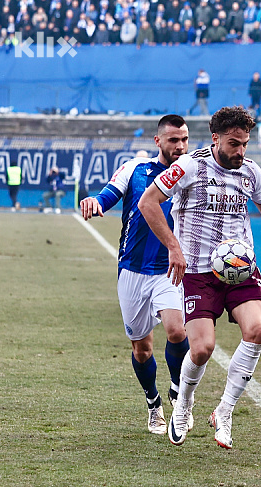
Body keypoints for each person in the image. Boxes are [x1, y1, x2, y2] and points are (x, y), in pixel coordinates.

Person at [138, 106, 261, 449]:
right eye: (234, 144)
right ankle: (184, 404)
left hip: (240, 268)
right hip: (199, 272)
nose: (240, 151)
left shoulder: (250, 172)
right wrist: (173, 247)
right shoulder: (189, 167)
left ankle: (225, 410)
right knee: (202, 348)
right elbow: (148, 202)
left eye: (245, 144)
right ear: (216, 138)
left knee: (258, 330)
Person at [80, 114, 191, 435]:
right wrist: (95, 202)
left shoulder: (193, 174)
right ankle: (154, 403)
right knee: (142, 349)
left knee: (177, 331)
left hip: (169, 270)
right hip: (131, 271)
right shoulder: (136, 169)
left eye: (184, 139)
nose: (180, 146)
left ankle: (177, 390)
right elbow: (108, 195)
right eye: (173, 140)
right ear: (158, 141)